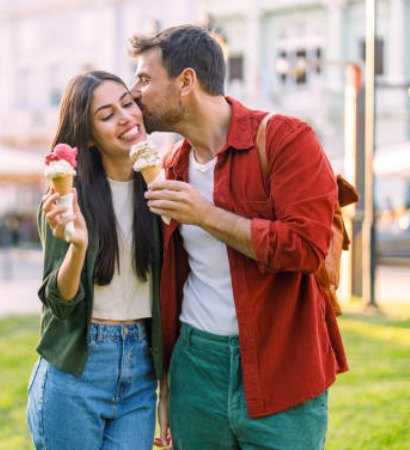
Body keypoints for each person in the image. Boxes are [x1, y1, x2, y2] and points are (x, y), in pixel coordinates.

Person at [129, 25, 347, 449]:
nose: (136, 93)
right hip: (196, 371)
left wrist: (206, 215)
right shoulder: (170, 167)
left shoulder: (286, 138)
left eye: (144, 79)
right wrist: (168, 382)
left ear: (186, 82)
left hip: (284, 366)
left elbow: (306, 247)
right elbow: (172, 283)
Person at [27, 71, 165, 450]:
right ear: (87, 135)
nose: (125, 117)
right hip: (77, 369)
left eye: (127, 102)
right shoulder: (67, 198)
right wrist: (77, 248)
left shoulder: (159, 188)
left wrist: (165, 383)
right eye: (106, 115)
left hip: (140, 372)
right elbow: (60, 301)